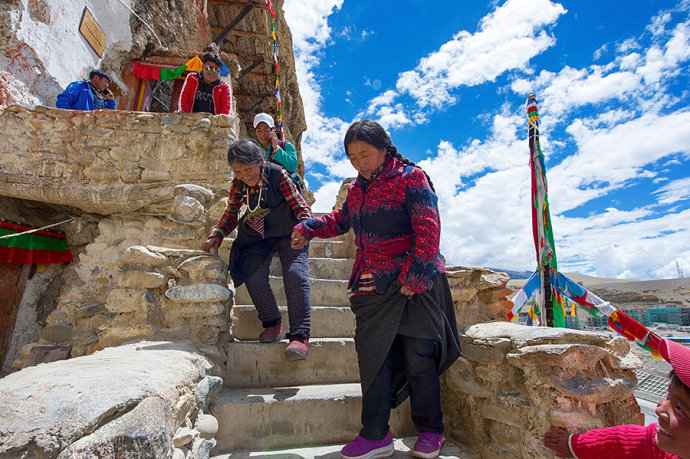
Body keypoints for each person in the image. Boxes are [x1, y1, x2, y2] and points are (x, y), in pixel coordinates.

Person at [291, 120, 461, 459]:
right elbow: (341, 221)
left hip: (411, 285)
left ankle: (430, 430)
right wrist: (308, 227)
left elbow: (428, 228)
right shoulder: (357, 189)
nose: (359, 163)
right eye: (352, 157)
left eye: (365, 154)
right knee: (374, 361)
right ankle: (375, 435)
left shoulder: (411, 178)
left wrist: (416, 276)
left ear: (384, 149)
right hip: (370, 286)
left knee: (418, 358)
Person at [201, 139, 312, 359]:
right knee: (252, 272)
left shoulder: (279, 175)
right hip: (259, 233)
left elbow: (302, 208)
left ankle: (299, 335)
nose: (244, 176)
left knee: (295, 274)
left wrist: (303, 230)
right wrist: (217, 234)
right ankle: (272, 321)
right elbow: (232, 212)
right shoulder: (239, 184)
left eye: (248, 169)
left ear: (260, 161)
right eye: (238, 172)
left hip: (290, 231)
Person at [543, 338, 690, 458]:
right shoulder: (662, 448)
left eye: (679, 408)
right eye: (668, 396)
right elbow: (625, 440)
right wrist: (575, 445)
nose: (660, 409)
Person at [253, 113, 304, 192]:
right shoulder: (255, 151)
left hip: (289, 190)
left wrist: (276, 148)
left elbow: (292, 166)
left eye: (266, 130)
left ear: (273, 130)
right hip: (269, 192)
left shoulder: (286, 146)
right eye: (259, 130)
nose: (262, 134)